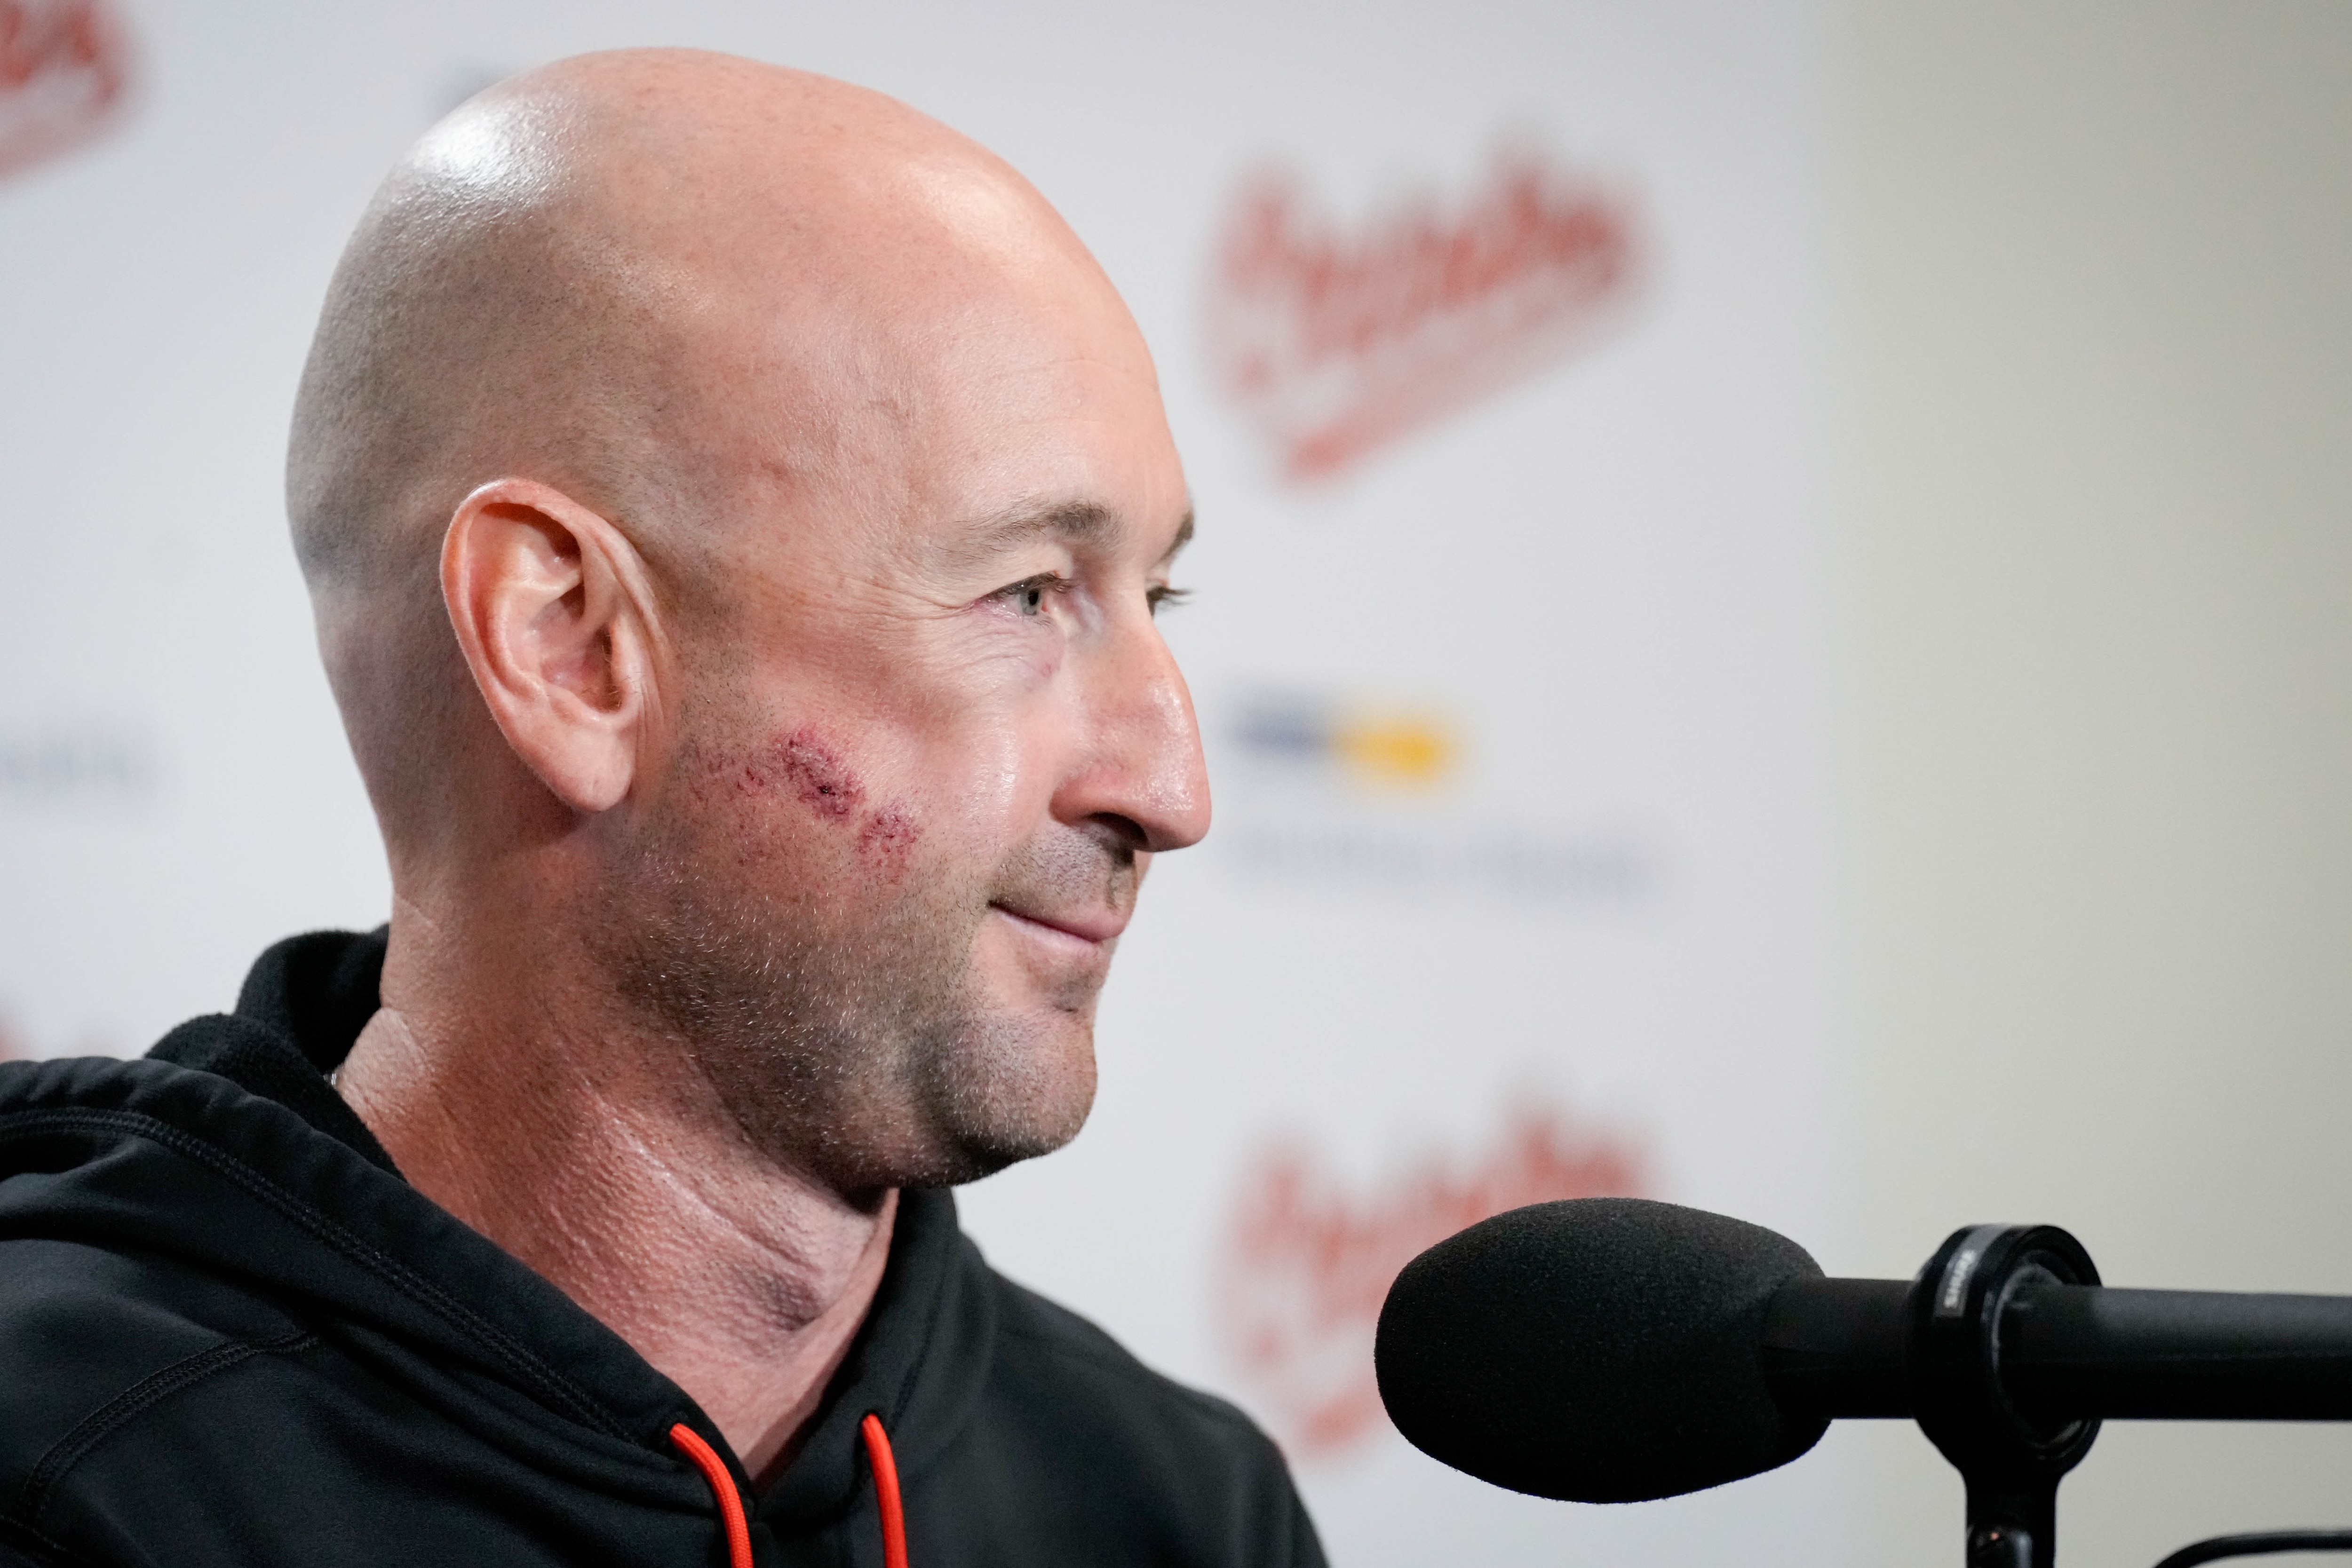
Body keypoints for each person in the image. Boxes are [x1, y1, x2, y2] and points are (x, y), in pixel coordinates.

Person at [0, 48, 1325, 1568]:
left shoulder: (1179, 1510)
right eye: (1028, 593)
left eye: (1158, 596)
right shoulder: (70, 1489)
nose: (1174, 791)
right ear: (567, 647)